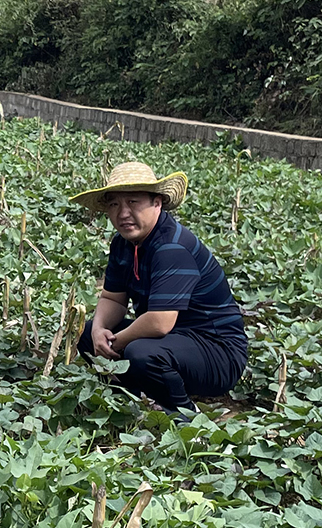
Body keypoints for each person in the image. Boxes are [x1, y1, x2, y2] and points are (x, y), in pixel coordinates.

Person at [73, 161, 247, 414]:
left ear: (157, 202)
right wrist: (100, 331)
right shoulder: (123, 244)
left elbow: (159, 323)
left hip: (218, 353)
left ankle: (183, 413)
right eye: (114, 204)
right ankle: (134, 399)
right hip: (174, 341)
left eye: (133, 202)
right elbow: (113, 299)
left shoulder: (171, 247)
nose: (122, 213)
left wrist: (116, 342)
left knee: (141, 352)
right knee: (87, 333)